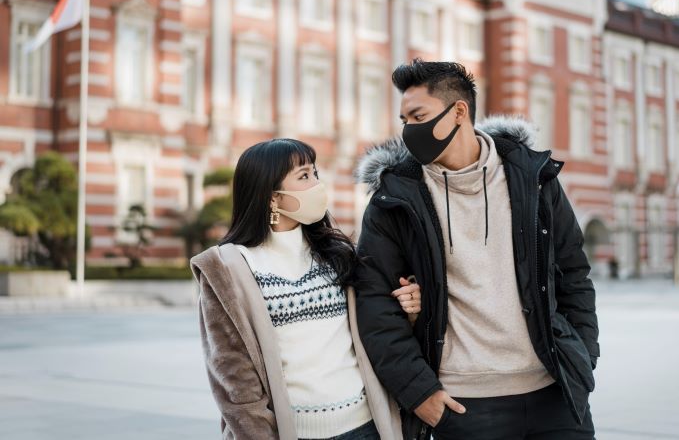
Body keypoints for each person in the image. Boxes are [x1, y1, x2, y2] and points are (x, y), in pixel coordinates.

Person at [354, 60, 599, 439]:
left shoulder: (533, 177)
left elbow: (573, 274)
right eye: (403, 120)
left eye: (418, 116)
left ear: (459, 112)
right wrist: (419, 393)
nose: (408, 131)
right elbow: (374, 302)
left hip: (555, 396)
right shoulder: (394, 198)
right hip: (463, 406)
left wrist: (582, 358)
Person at [191, 139, 420, 439]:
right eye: (304, 176)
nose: (317, 184)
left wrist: (408, 310)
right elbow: (234, 378)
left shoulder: (338, 253)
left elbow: (374, 329)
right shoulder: (229, 268)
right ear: (272, 197)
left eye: (315, 173)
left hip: (366, 427)